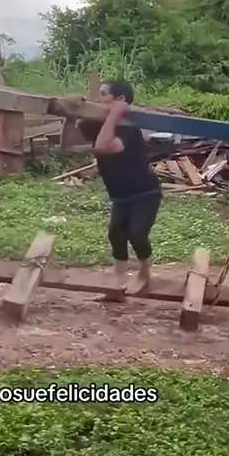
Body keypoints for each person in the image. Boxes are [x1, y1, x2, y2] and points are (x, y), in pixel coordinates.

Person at [77, 79, 162, 296]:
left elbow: (102, 146)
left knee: (137, 234)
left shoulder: (129, 130)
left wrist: (115, 114)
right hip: (120, 195)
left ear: (120, 100)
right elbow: (67, 146)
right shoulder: (98, 124)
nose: (98, 99)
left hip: (145, 193)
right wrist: (70, 115)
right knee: (116, 234)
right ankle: (119, 280)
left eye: (103, 94)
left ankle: (144, 274)